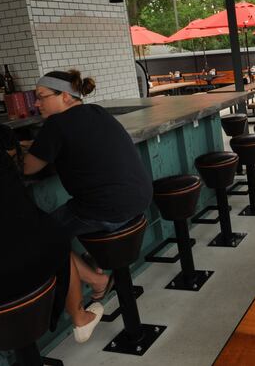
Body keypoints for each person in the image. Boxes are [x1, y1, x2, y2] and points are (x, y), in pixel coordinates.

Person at [23, 69, 153, 341]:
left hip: (107, 209)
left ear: (66, 98)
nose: (36, 104)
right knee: (54, 231)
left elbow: (28, 167)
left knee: (43, 236)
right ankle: (96, 279)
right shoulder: (97, 112)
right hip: (140, 199)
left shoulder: (56, 126)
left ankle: (82, 313)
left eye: (41, 97)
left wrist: (29, 149)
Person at [0, 121, 100, 343]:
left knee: (48, 237)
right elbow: (19, 160)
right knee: (54, 239)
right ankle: (80, 316)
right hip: (31, 269)